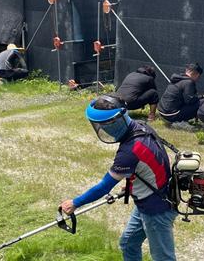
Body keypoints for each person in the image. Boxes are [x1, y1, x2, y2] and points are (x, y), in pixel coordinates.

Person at [60, 95, 177, 261]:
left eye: (102, 125)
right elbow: (150, 163)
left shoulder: (129, 151)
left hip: (157, 209)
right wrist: (132, 185)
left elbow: (104, 187)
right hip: (148, 199)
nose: (101, 128)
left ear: (113, 123)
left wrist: (75, 203)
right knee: (128, 244)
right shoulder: (141, 126)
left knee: (163, 257)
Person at [157, 63, 203, 128]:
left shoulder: (177, 79)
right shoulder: (188, 82)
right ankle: (181, 122)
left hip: (161, 111)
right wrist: (200, 97)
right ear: (197, 75)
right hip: (171, 115)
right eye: (199, 77)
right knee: (202, 102)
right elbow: (190, 100)